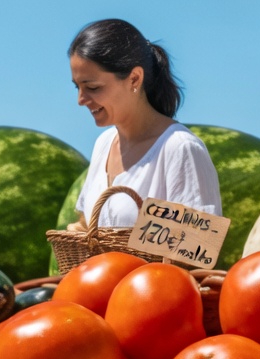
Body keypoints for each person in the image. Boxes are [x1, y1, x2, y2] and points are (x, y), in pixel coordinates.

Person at [68, 19, 222, 229]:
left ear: (134, 78)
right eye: (77, 87)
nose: (81, 99)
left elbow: (196, 242)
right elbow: (88, 223)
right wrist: (78, 231)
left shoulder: (180, 148)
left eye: (93, 87)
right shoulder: (103, 144)